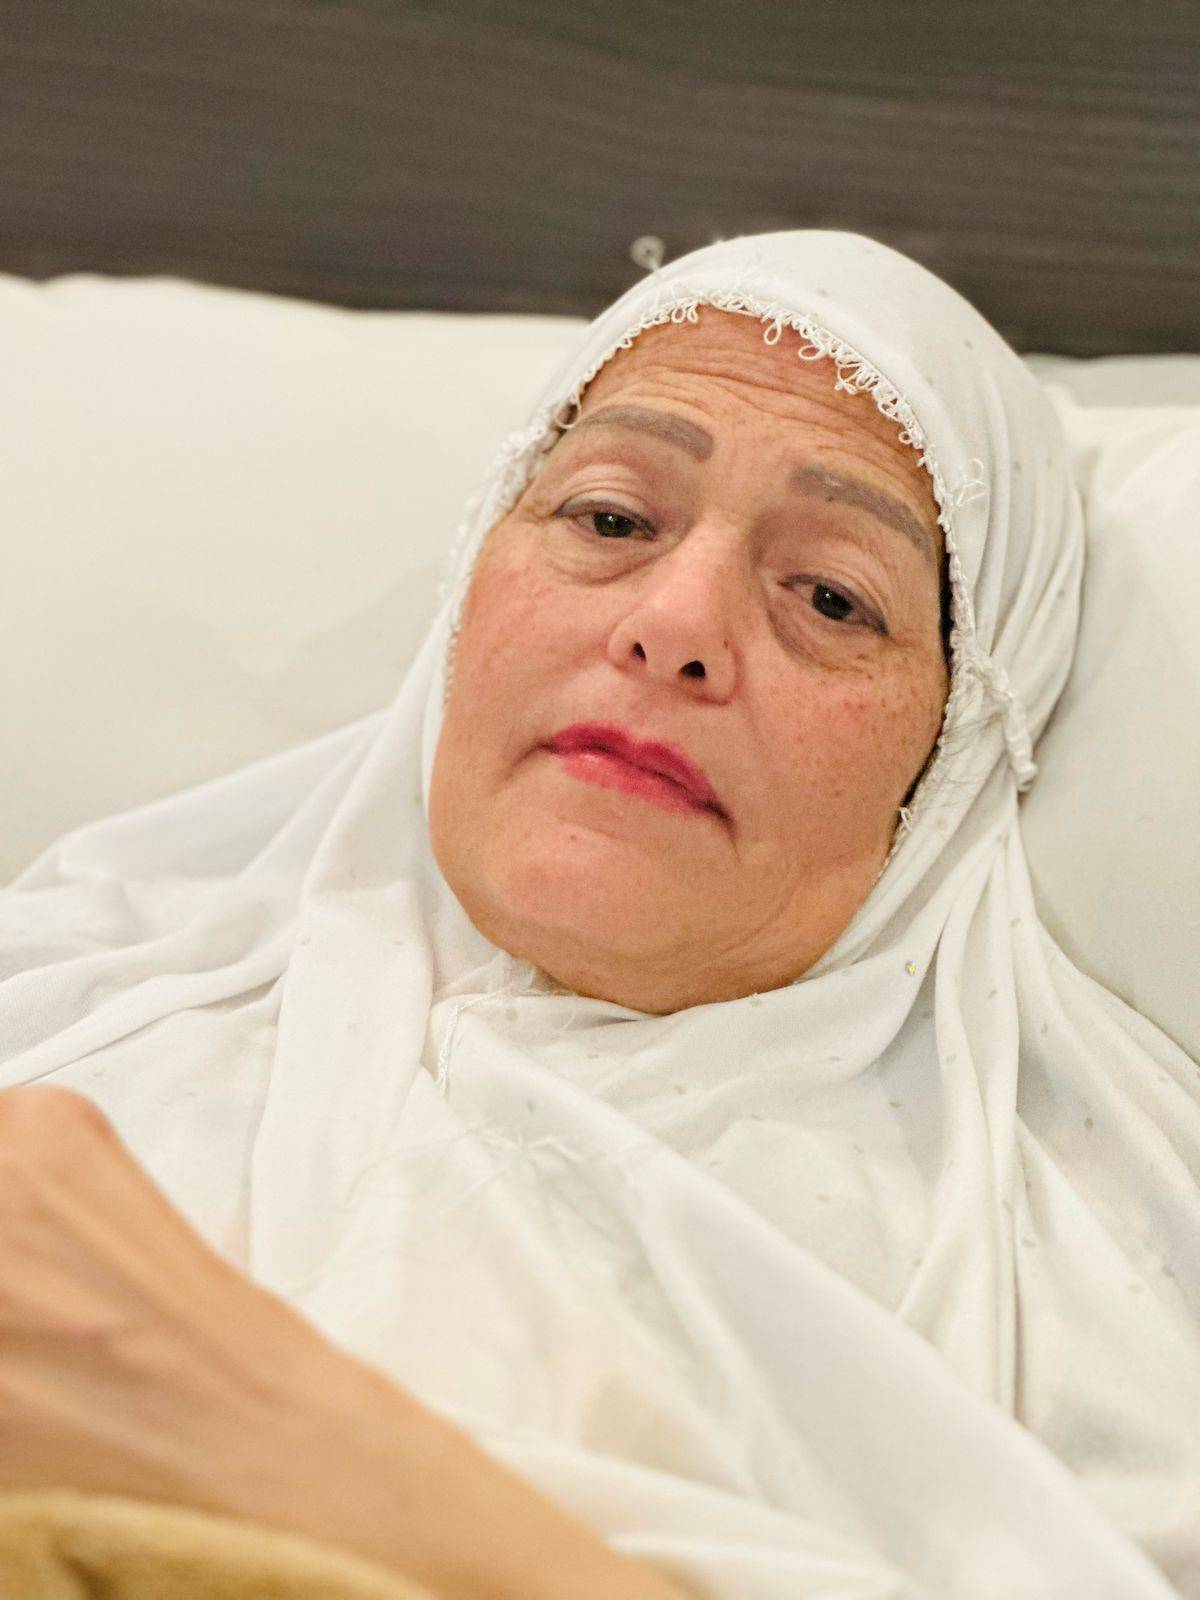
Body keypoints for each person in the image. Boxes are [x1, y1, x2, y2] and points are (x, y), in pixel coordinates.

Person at [0, 231, 1197, 1600]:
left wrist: (257, 1433)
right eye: (613, 519)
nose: (674, 624)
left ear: (952, 766)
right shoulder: (63, 1006)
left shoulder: (1061, 1312)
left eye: (831, 596)